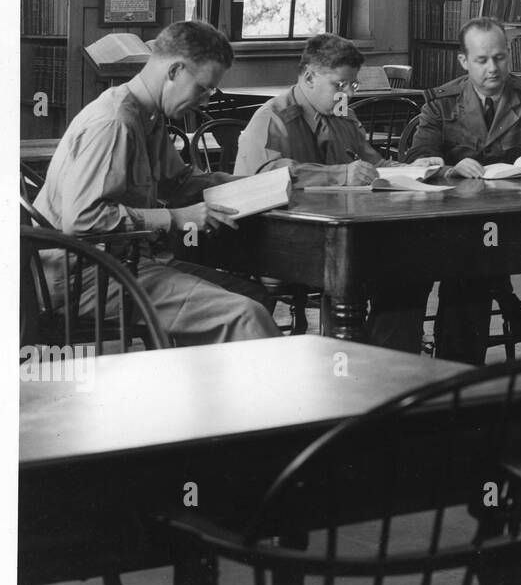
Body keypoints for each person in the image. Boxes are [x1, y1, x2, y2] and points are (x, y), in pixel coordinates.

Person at [33, 20, 280, 348]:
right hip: (81, 277)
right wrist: (176, 218)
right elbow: (82, 219)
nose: (205, 102)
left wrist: (256, 186)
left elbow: (178, 183)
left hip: (121, 262)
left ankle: (195, 378)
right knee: (244, 314)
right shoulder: (114, 122)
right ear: (174, 70)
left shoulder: (148, 115)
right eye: (202, 89)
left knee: (254, 295)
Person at [403, 17, 521, 364]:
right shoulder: (441, 103)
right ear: (464, 61)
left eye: (500, 57)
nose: (493, 68)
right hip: (460, 222)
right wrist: (447, 168)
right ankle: (459, 371)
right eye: (482, 60)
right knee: (469, 271)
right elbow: (417, 159)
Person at [234, 33, 434, 353]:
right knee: (364, 272)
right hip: (281, 242)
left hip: (342, 235)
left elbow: (373, 163)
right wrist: (340, 174)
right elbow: (262, 178)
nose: (348, 94)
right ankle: (357, 356)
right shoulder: (272, 117)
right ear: (309, 77)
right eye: (340, 85)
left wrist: (412, 169)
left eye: (353, 85)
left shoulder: (342, 113)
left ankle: (382, 361)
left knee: (411, 270)